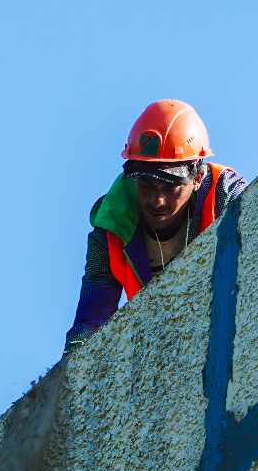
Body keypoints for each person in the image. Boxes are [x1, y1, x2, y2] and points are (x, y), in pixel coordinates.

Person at [65, 99, 247, 347]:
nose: (157, 201)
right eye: (146, 185)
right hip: (164, 346)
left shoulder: (225, 194)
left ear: (197, 178)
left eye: (171, 187)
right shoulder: (111, 223)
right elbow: (92, 315)